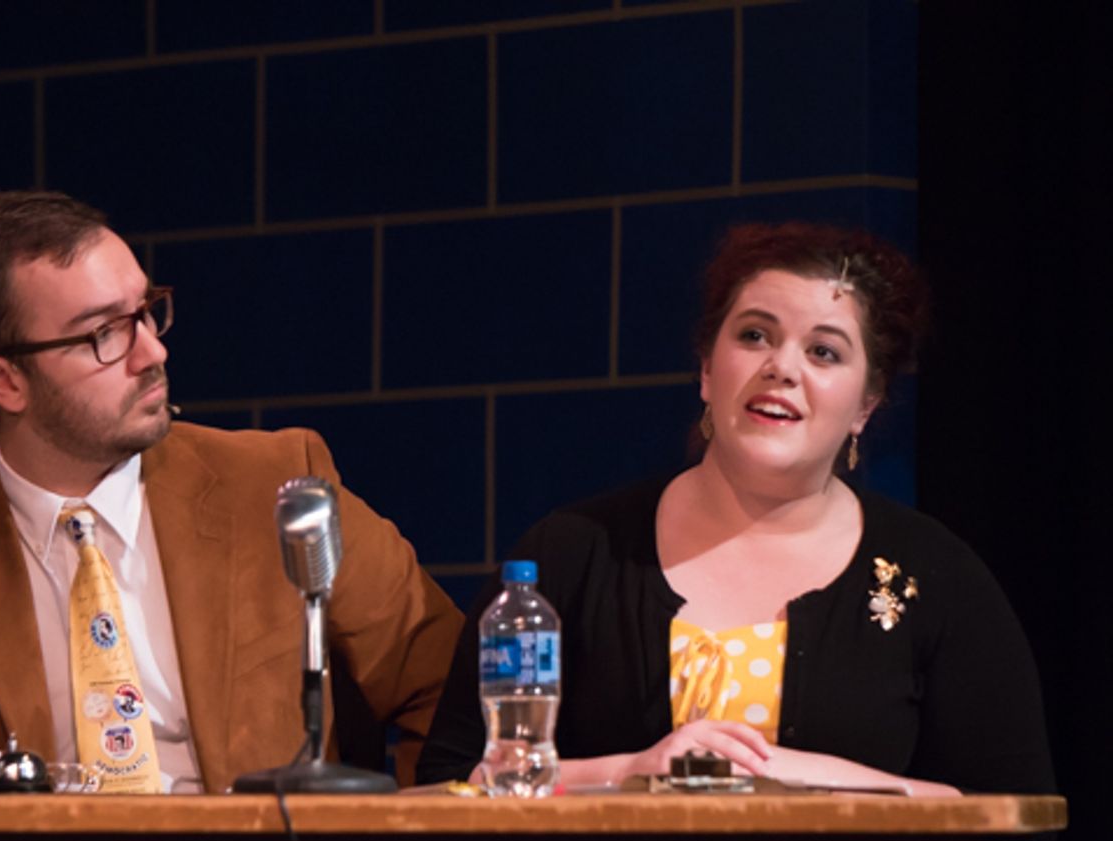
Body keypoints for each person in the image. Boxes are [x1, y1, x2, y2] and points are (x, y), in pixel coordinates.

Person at [0, 190, 462, 793]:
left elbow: (452, 691)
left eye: (146, 312)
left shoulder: (277, 485)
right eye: (105, 334)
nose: (153, 353)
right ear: (3, 382)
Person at [417, 222, 1056, 799]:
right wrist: (627, 772)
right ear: (706, 369)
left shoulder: (936, 578)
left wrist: (795, 775)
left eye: (824, 352)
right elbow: (448, 785)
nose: (781, 367)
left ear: (865, 406)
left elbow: (1013, 818)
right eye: (755, 336)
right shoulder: (571, 555)